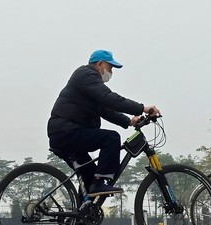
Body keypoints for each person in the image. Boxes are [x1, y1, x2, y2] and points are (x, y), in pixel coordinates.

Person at [48, 49, 161, 202]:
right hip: (66, 131)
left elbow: (105, 110)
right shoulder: (87, 74)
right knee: (111, 138)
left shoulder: (89, 84)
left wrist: (128, 121)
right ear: (100, 64)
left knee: (90, 180)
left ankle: (78, 221)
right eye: (110, 67)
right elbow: (109, 99)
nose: (111, 71)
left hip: (66, 133)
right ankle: (100, 182)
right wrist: (142, 108)